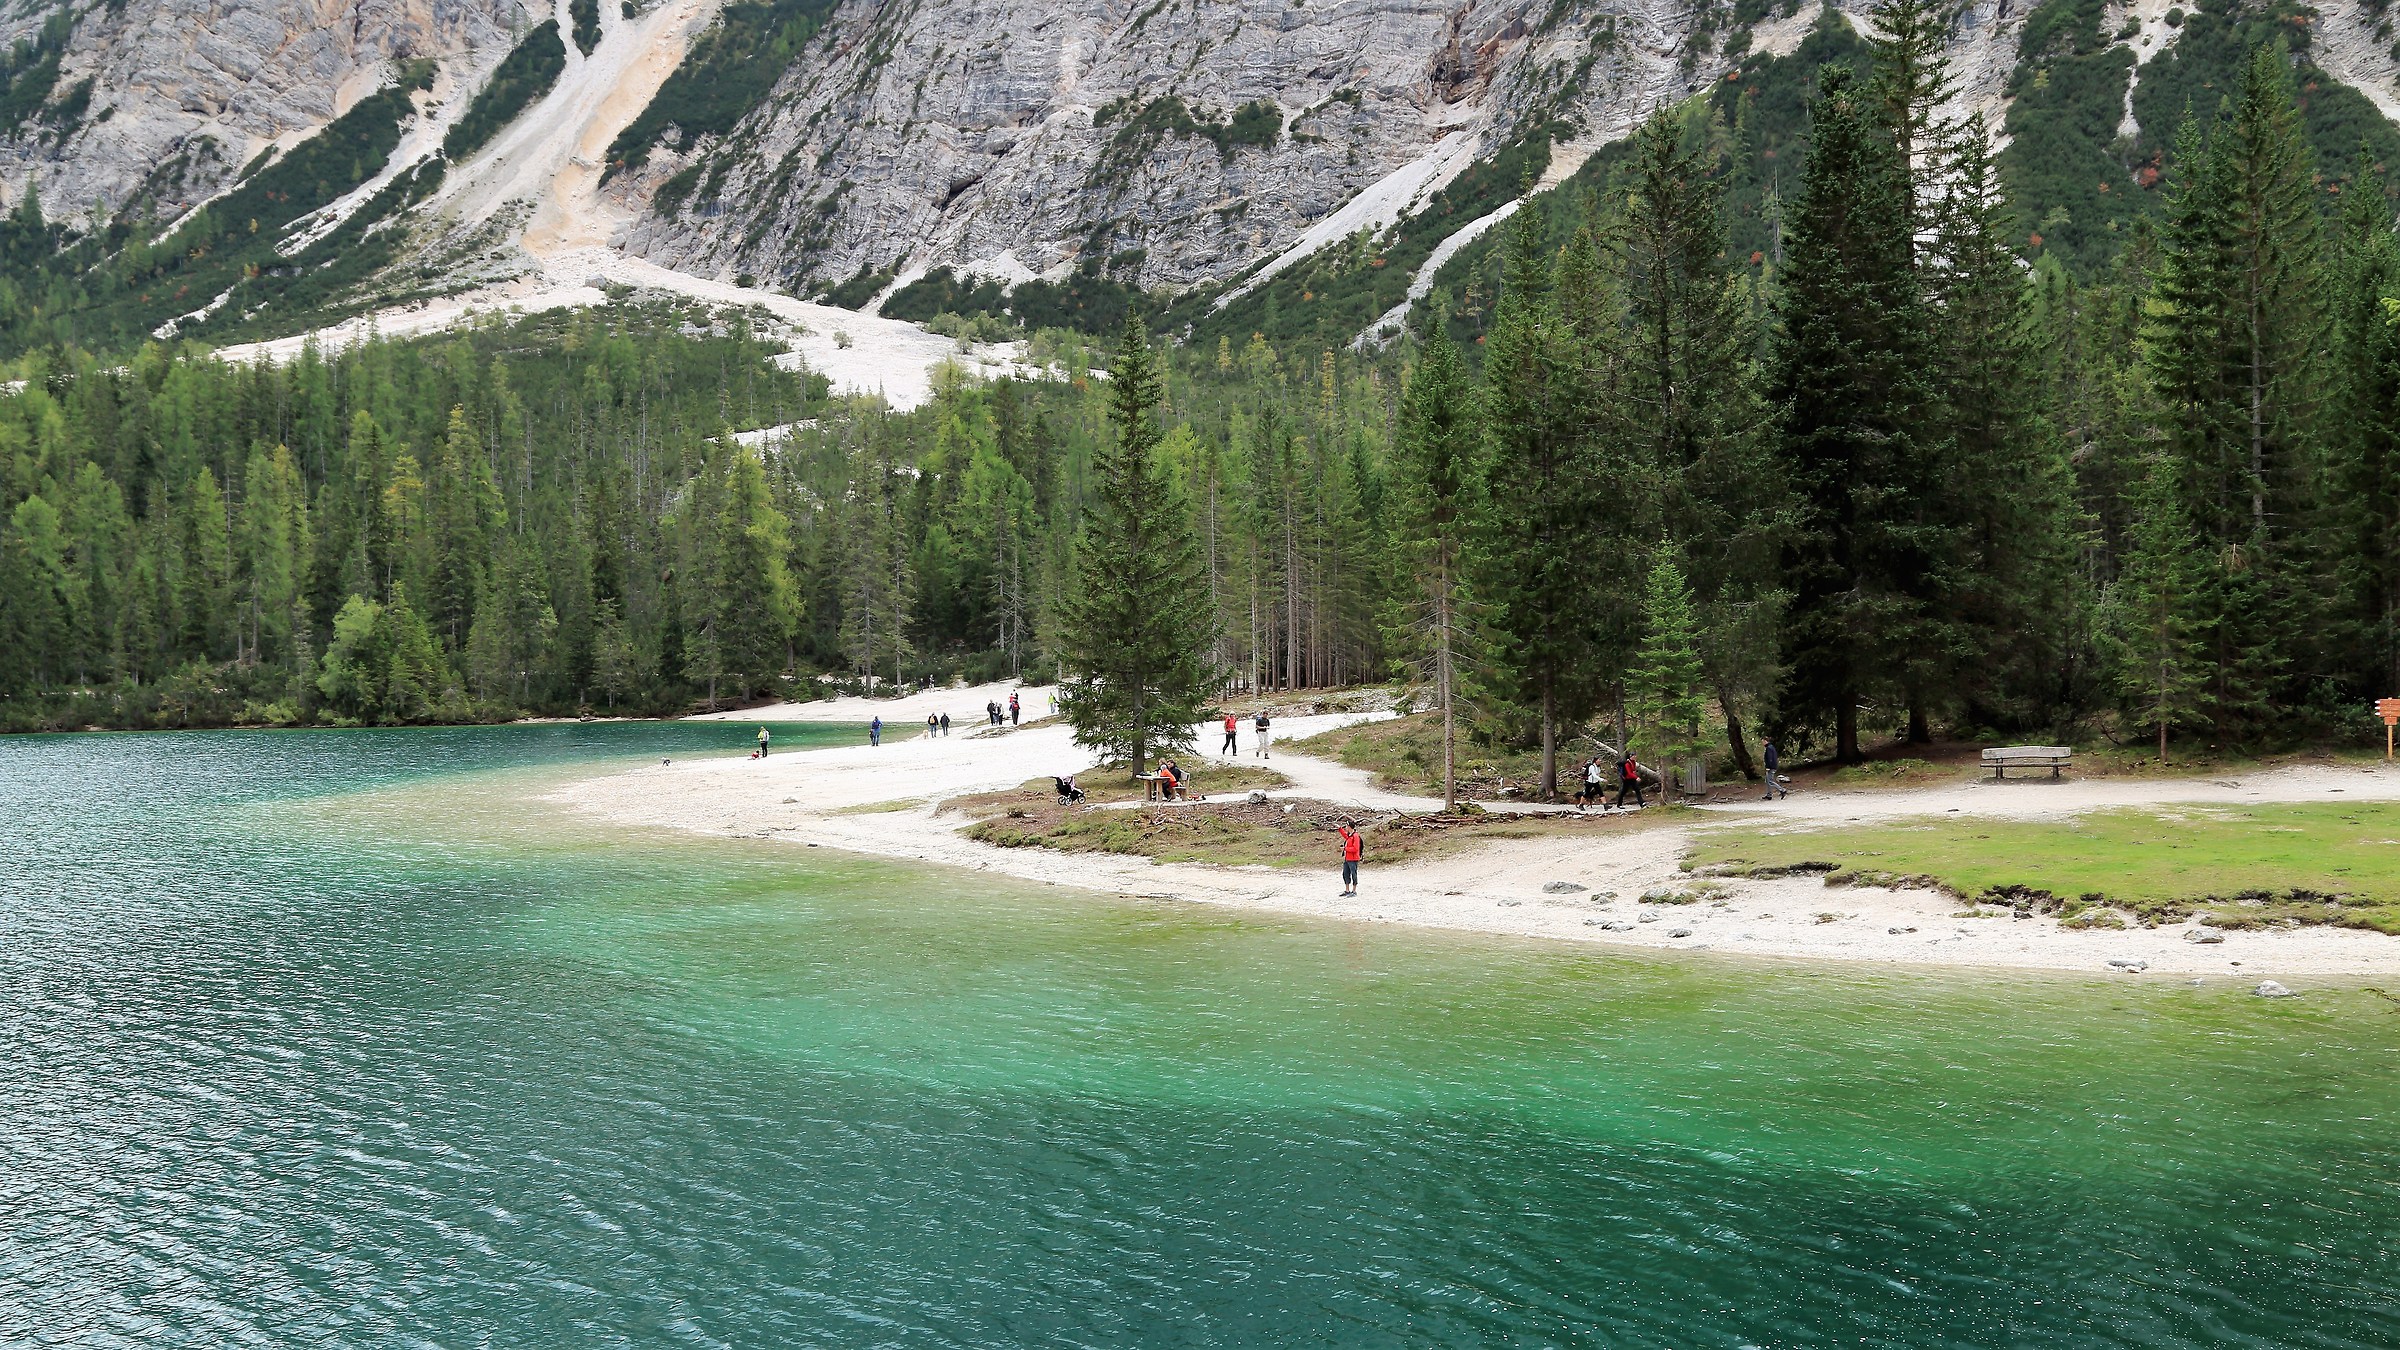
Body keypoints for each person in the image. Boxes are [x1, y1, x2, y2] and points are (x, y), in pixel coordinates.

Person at [1338, 821, 1363, 896]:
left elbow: (1355, 848)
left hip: (1353, 859)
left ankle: (1354, 891)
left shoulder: (1355, 836)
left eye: (1346, 826)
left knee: (1353, 874)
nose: (1345, 828)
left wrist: (1345, 849)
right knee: (1345, 873)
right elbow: (1345, 836)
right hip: (1347, 858)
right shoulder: (1350, 835)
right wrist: (1340, 829)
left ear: (1349, 827)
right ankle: (1347, 890)